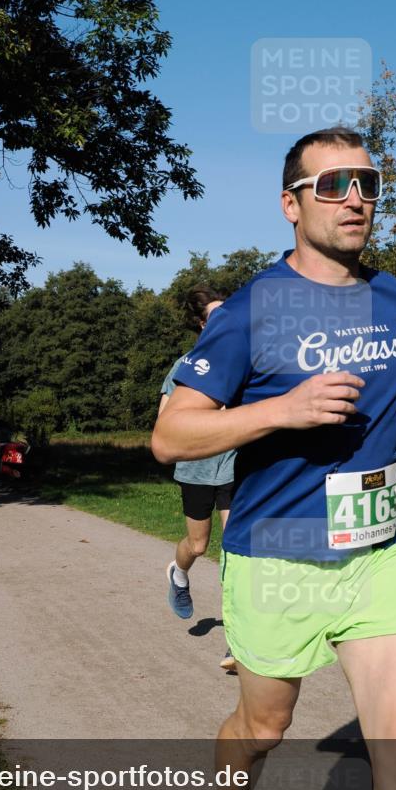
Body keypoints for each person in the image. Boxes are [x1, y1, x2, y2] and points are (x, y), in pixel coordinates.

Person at [152, 126, 396, 790]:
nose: (355, 199)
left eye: (367, 184)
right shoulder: (251, 309)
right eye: (332, 185)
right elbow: (172, 435)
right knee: (263, 730)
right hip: (278, 556)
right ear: (291, 204)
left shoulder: (391, 295)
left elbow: (370, 384)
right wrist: (280, 411)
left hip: (380, 552)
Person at [159, 286, 237, 672]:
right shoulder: (184, 367)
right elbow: (165, 424)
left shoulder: (244, 361)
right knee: (198, 544)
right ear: (203, 325)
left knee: (238, 550)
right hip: (197, 469)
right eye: (215, 315)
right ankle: (178, 572)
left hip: (237, 466)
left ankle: (238, 640)